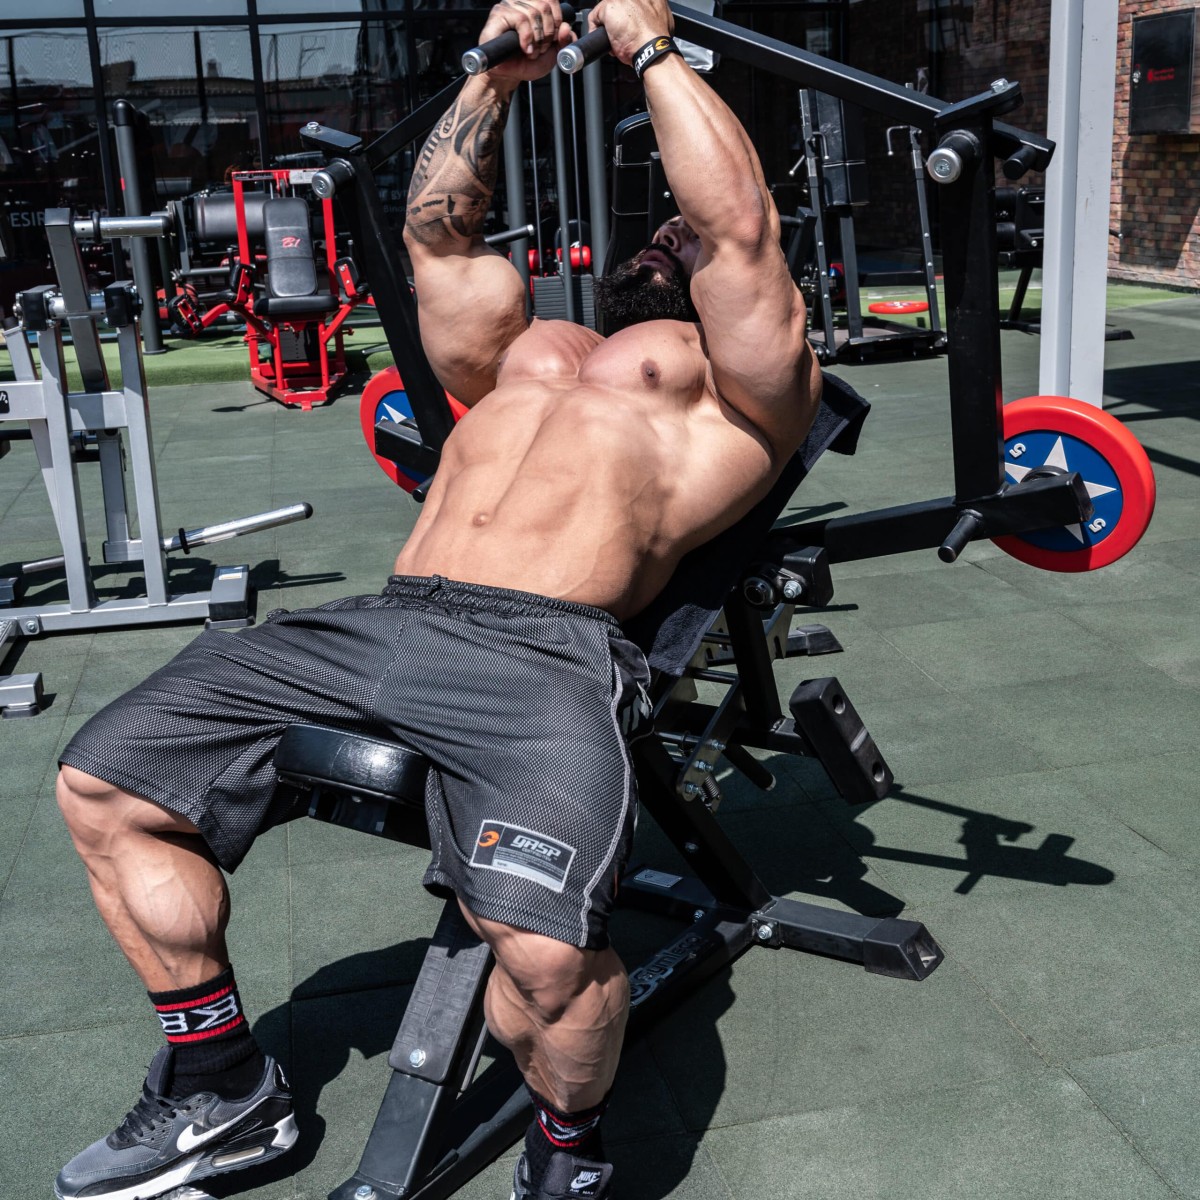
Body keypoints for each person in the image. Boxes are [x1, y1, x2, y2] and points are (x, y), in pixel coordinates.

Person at [52, 1, 821, 1197]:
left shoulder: (739, 397)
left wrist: (652, 48)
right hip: (383, 617)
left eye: (680, 230)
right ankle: (219, 1088)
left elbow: (738, 230)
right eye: (662, 227)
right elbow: (441, 244)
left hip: (542, 658)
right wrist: (492, 80)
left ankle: (568, 1155)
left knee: (548, 960)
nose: (668, 233)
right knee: (105, 784)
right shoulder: (529, 356)